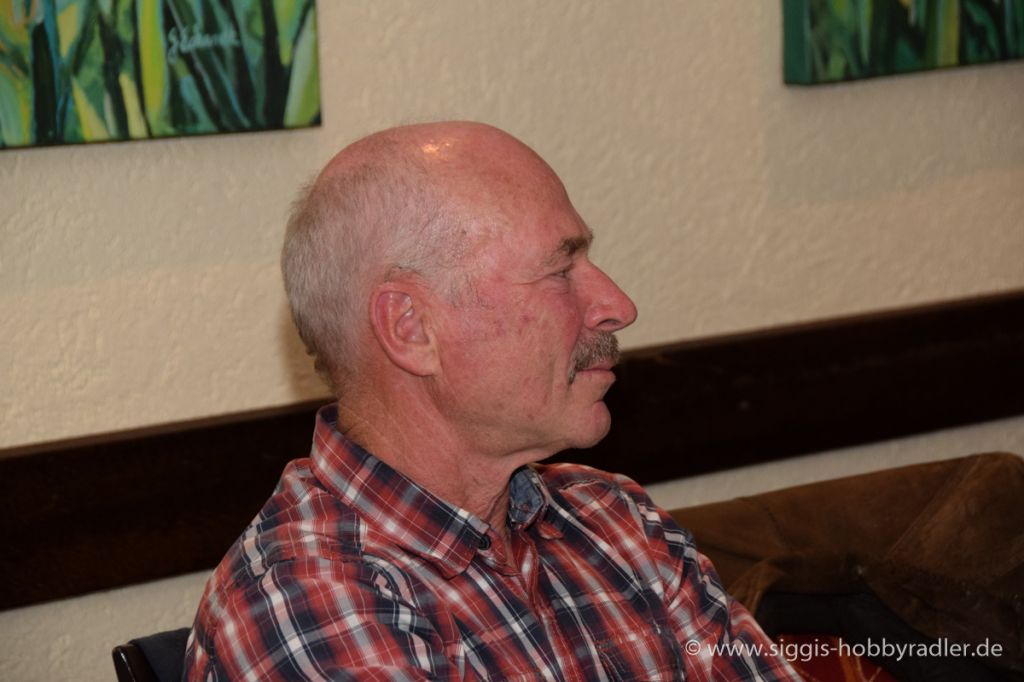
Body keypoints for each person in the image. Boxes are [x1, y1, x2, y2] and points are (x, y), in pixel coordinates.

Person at [183, 121, 800, 681]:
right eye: (560, 271)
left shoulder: (615, 523)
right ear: (411, 329)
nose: (618, 306)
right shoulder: (309, 603)